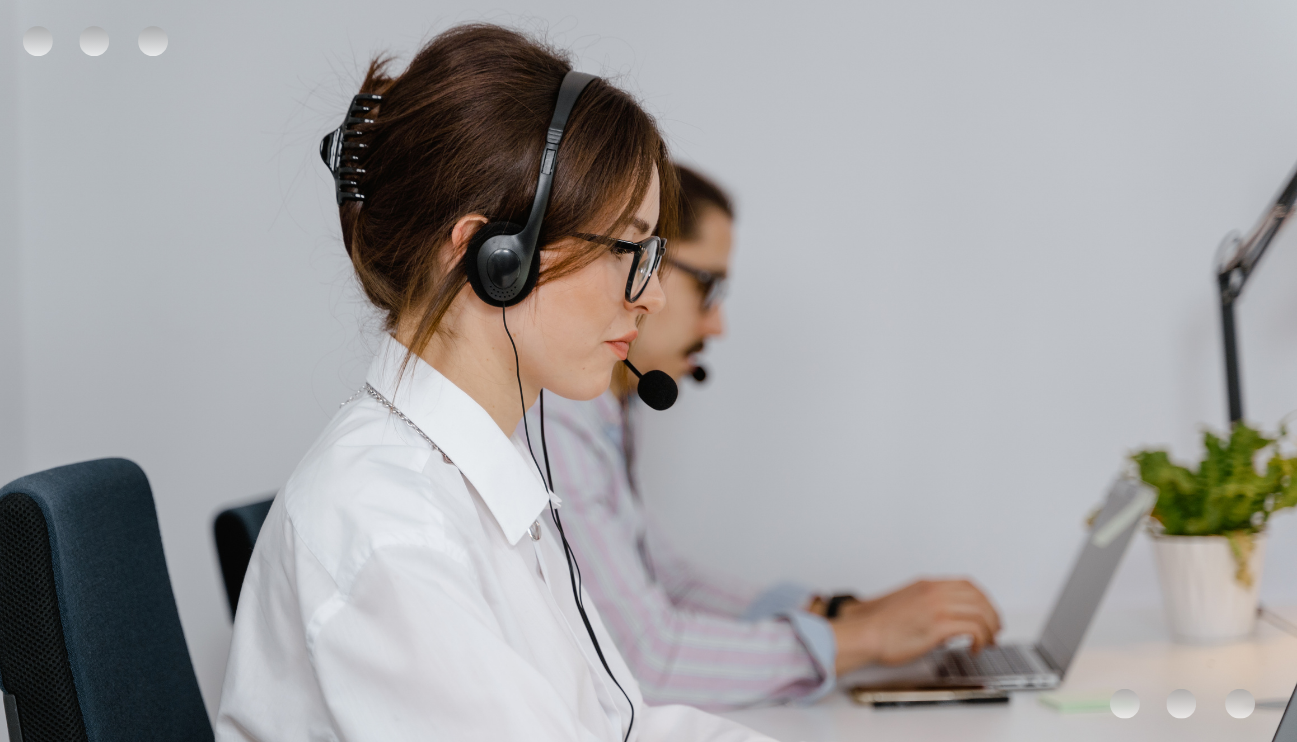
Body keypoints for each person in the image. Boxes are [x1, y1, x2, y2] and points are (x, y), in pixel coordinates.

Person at [216, 25, 775, 741]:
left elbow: (618, 724)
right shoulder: (396, 533)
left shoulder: (482, 476)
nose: (652, 296)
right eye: (627, 251)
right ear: (490, 258)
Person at [525, 165, 1003, 710]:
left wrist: (837, 615)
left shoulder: (600, 415)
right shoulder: (552, 419)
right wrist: (861, 639)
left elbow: (667, 580)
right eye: (707, 286)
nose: (717, 325)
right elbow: (646, 659)